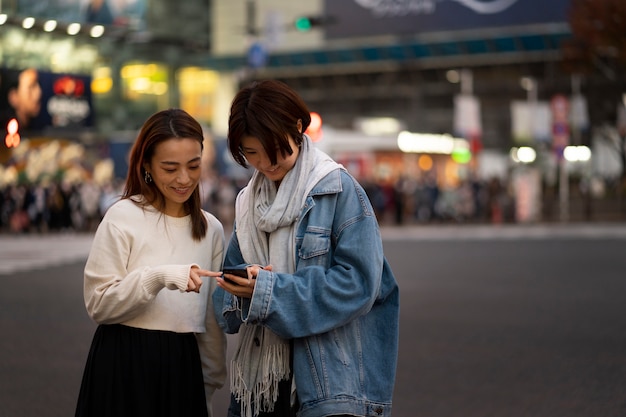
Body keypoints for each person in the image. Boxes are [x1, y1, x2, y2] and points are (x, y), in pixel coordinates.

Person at [213, 80, 400, 417]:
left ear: (298, 128)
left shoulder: (337, 190)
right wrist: (240, 290)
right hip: (261, 389)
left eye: (274, 150)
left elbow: (360, 284)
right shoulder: (247, 203)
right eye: (252, 153)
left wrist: (270, 292)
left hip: (327, 381)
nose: (267, 164)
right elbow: (226, 296)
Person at [75, 108, 227, 417]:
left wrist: (208, 385)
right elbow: (98, 304)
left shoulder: (211, 228)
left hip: (184, 370)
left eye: (193, 165)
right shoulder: (123, 216)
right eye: (170, 168)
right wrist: (157, 277)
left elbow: (211, 321)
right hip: (122, 365)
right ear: (146, 165)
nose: (184, 178)